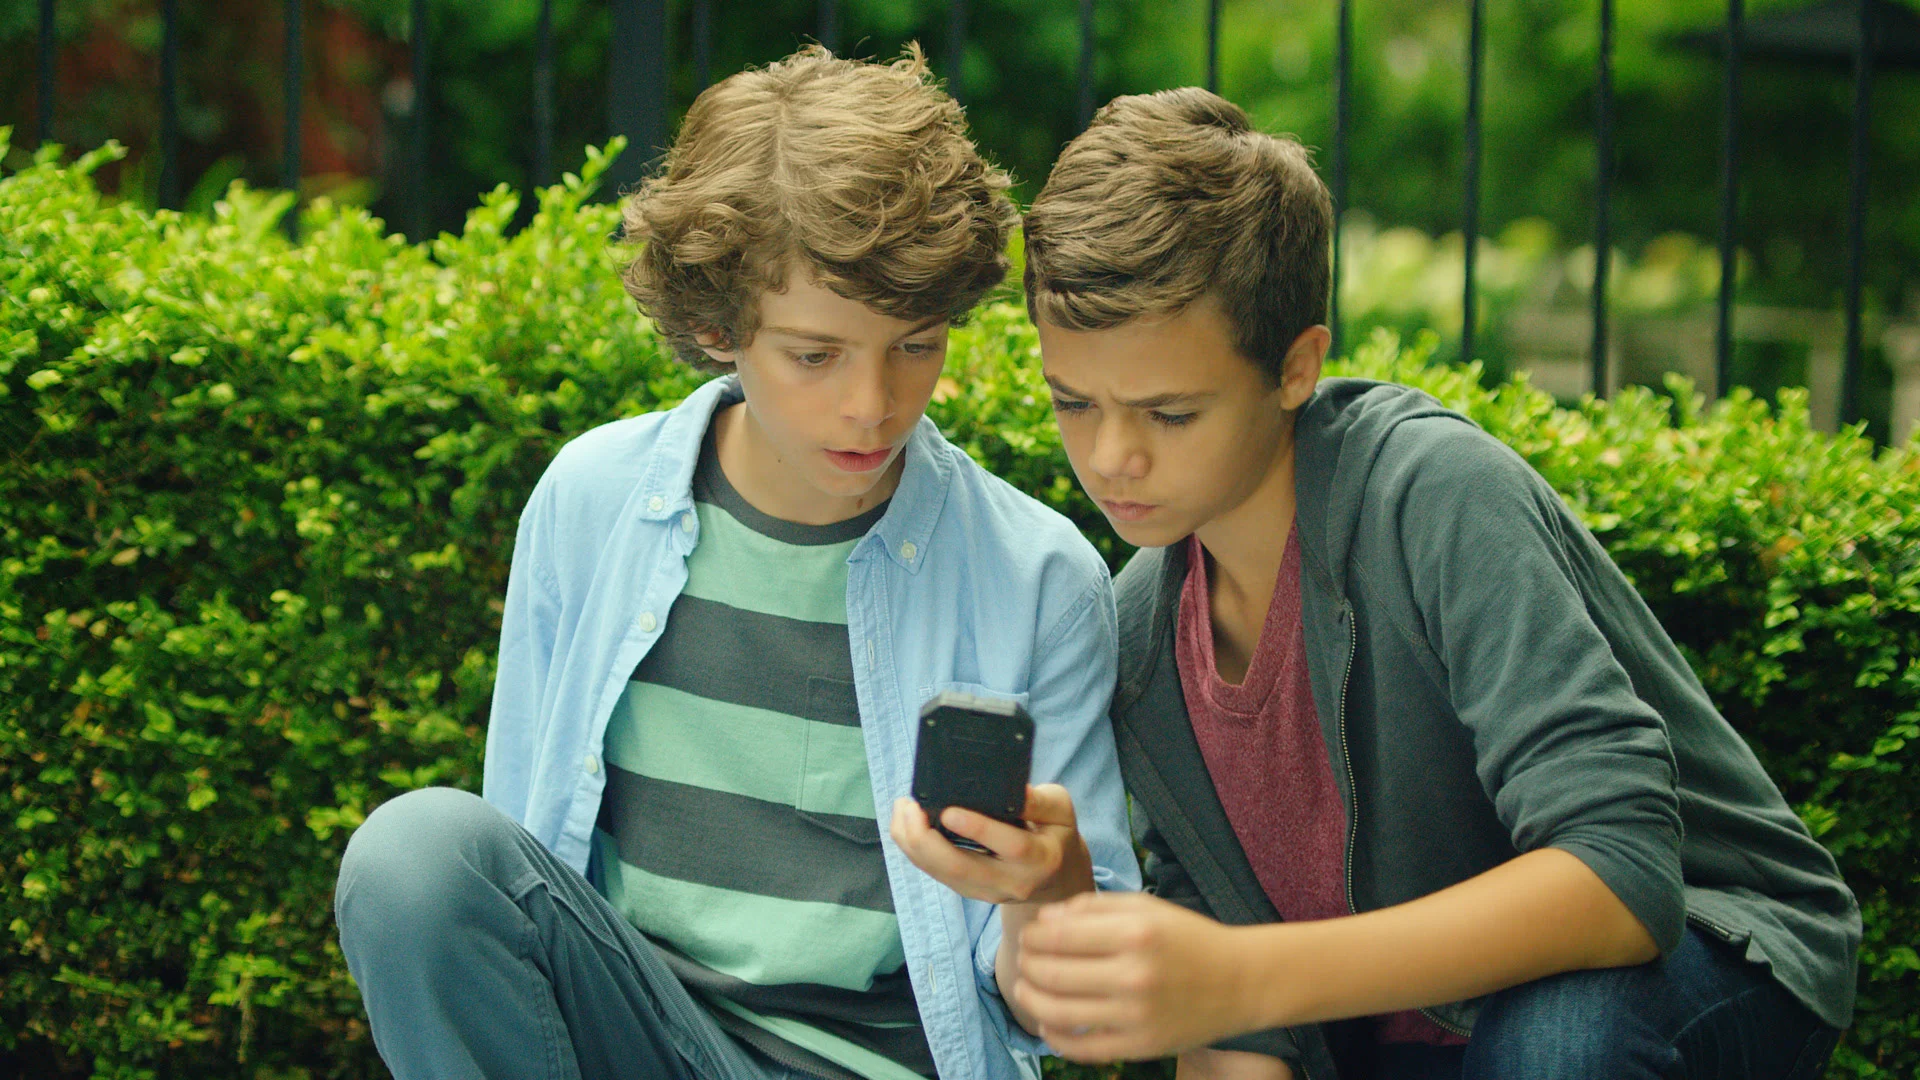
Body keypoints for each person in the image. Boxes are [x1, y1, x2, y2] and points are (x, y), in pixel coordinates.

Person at [1008, 87, 1859, 1080]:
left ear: (1297, 367)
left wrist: (1243, 976)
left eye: (1171, 414)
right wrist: (1204, 990)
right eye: (1074, 402)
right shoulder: (1139, 636)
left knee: (1555, 1039)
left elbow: (1623, 873)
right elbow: (1238, 1037)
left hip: (1703, 959)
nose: (1110, 456)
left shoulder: (1433, 493)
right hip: (1407, 1041)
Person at [332, 46, 1138, 1080]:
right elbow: (522, 874)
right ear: (719, 323)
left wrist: (1048, 890)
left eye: (916, 344)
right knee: (419, 857)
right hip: (641, 1042)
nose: (872, 405)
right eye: (815, 354)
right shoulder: (591, 503)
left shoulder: (1036, 577)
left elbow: (1072, 1023)